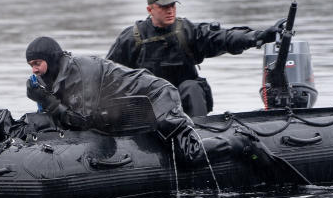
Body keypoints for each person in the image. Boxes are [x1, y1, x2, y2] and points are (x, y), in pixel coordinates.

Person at [106, 0, 285, 117]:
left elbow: (223, 38)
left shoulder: (187, 31)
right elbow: (107, 75)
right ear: (150, 9)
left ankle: (201, 135)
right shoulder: (131, 38)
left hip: (188, 104)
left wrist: (259, 36)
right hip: (149, 106)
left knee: (192, 87)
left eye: (172, 6)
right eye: (164, 7)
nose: (170, 11)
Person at [25, 36, 204, 159]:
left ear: (50, 59)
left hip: (155, 96)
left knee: (188, 154)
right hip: (126, 112)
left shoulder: (83, 70)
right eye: (31, 65)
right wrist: (42, 99)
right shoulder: (48, 78)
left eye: (37, 63)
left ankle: (228, 147)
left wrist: (47, 100)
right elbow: (63, 116)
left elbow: (84, 120)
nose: (34, 69)